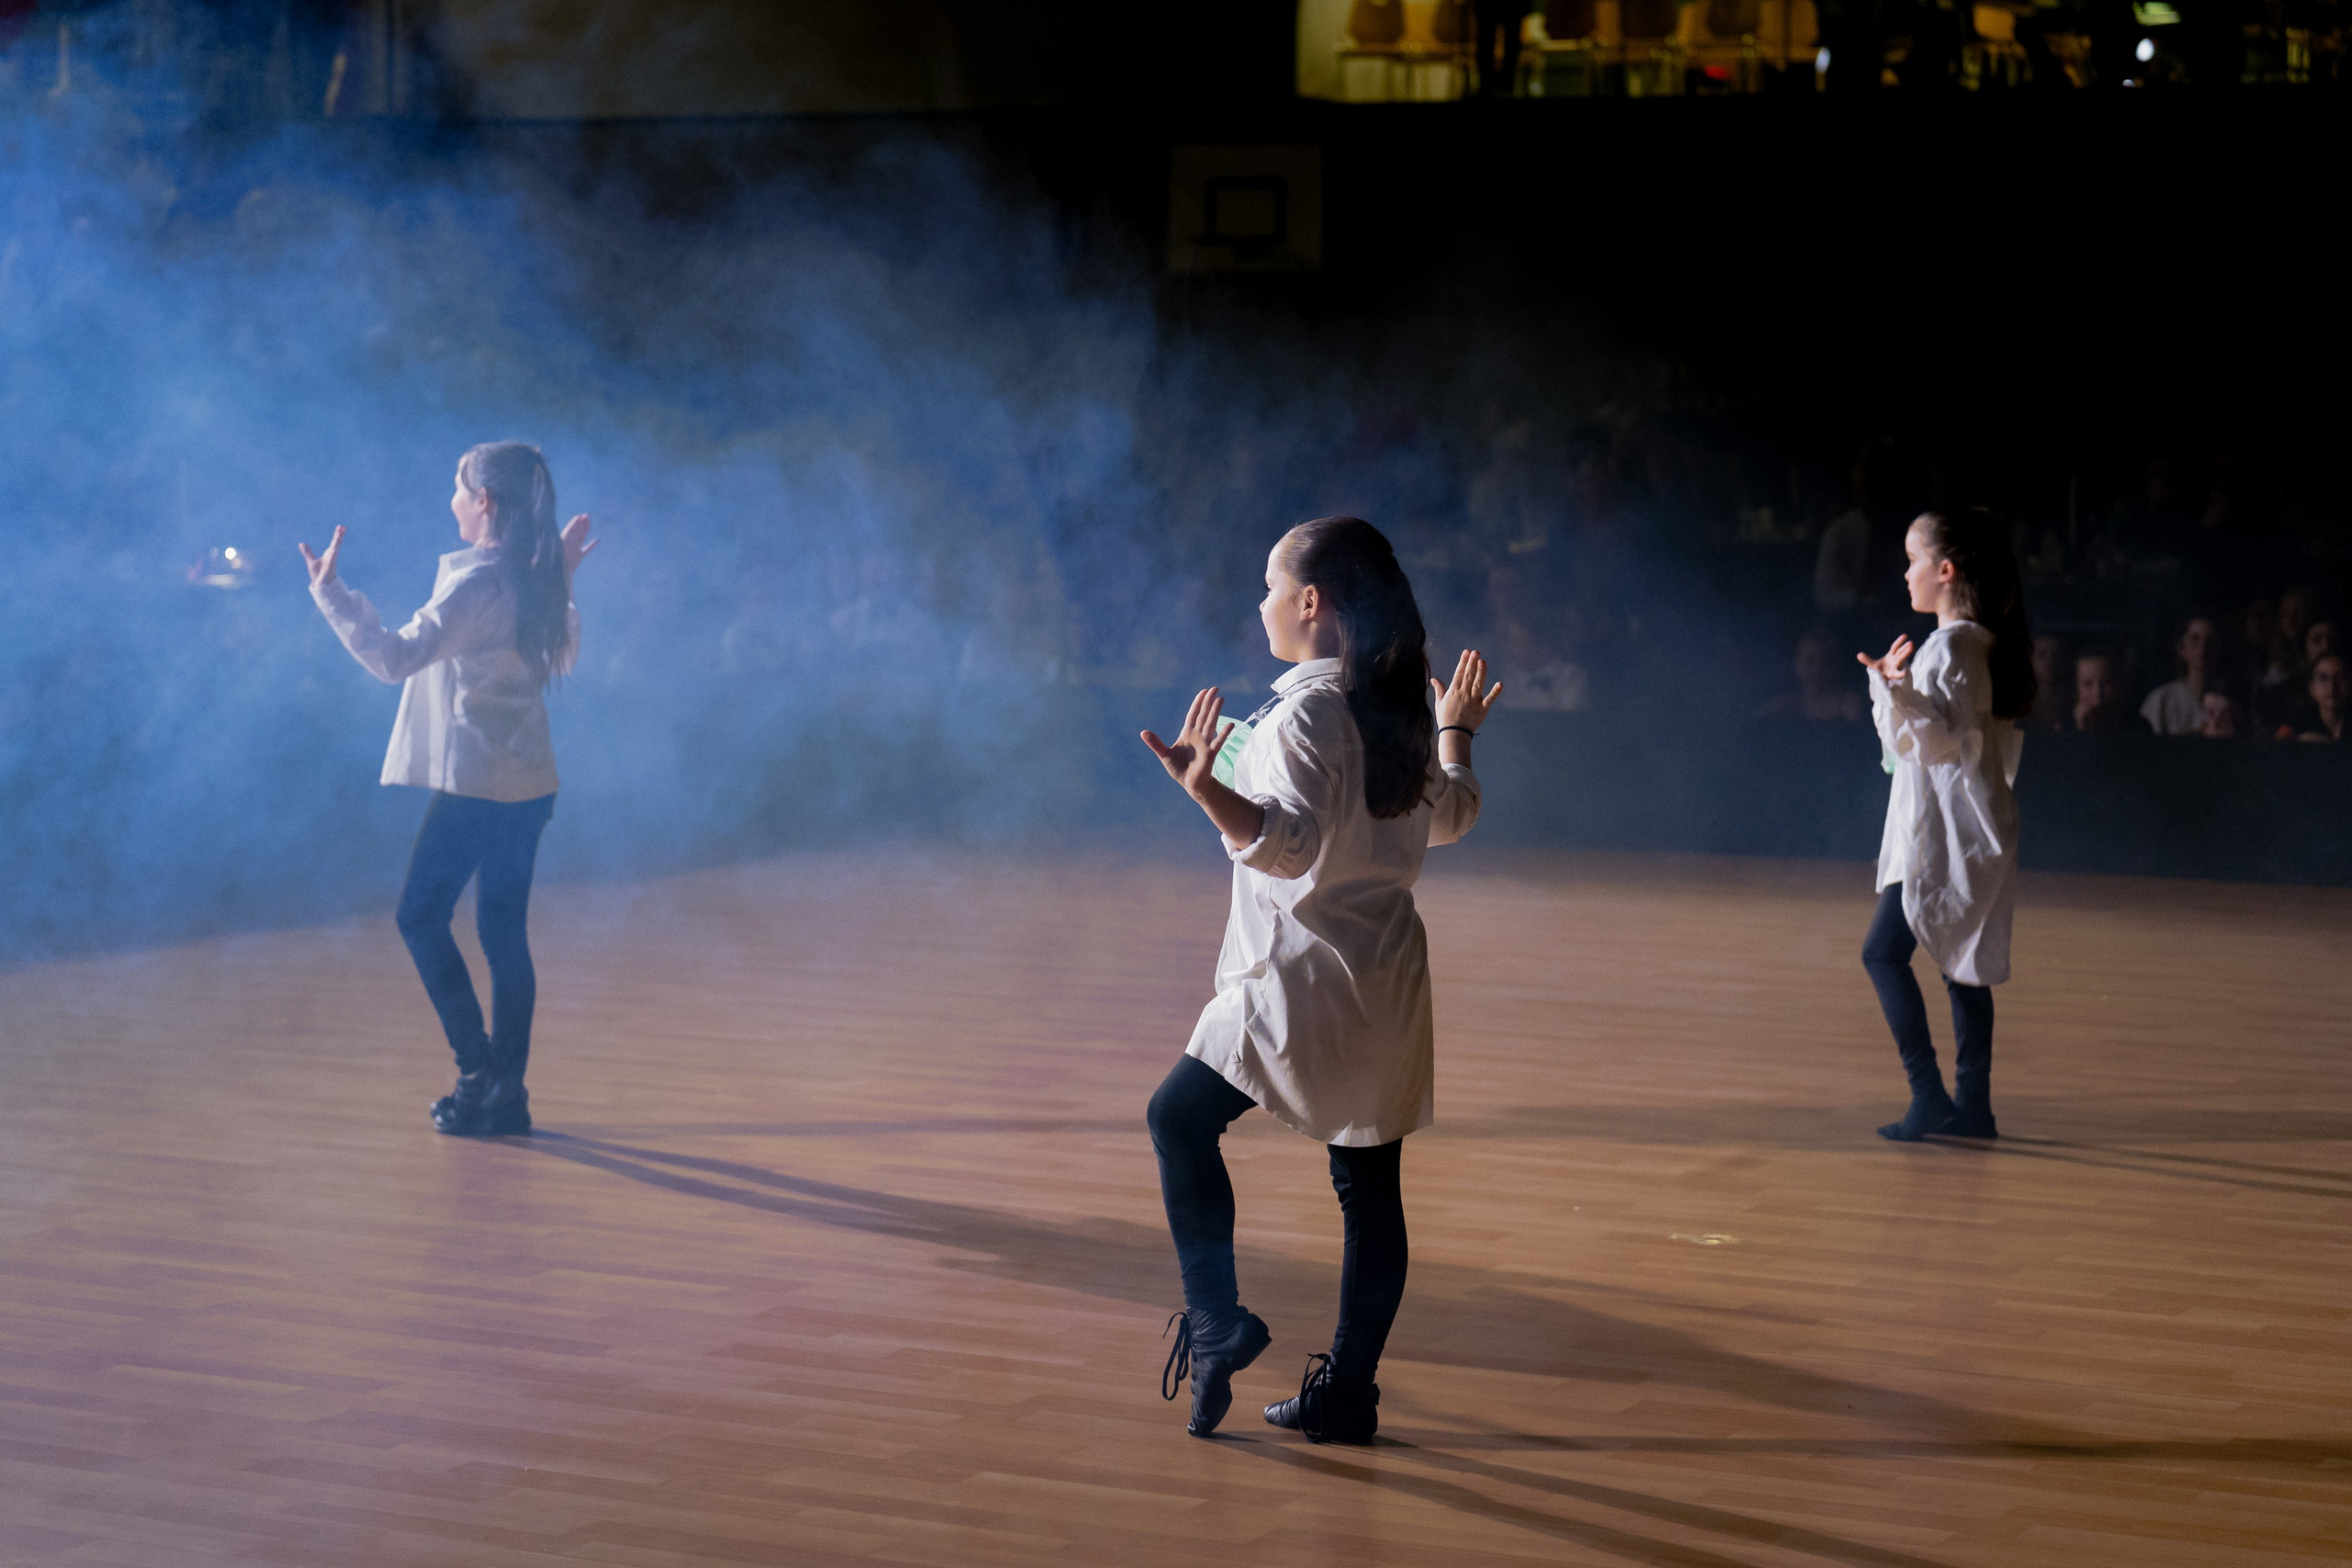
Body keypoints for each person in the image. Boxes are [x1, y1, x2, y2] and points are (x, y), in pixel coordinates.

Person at [1138, 516, 1498, 1446]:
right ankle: (1347, 1393)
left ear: (1311, 602)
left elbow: (1288, 846)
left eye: (1270, 586)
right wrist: (1454, 733)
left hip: (1298, 979)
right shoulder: (1391, 708)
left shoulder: (1307, 711)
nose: (1259, 603)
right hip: (1383, 981)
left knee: (1178, 1120)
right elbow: (1448, 816)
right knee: (1368, 1188)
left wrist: (1204, 790)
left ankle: (1217, 1320)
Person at [300, 443, 594, 1136]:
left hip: (479, 786)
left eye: (459, 489)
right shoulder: (532, 576)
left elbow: (397, 657)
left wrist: (331, 593)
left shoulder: (483, 583)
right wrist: (566, 574)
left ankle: (479, 1075)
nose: (452, 501)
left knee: (420, 916)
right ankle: (504, 1093)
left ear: (485, 500)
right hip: (528, 783)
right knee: (502, 933)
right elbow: (564, 652)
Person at [1856, 508, 2033, 1143]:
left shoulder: (1954, 646)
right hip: (1954, 829)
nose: (1906, 573)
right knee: (1961, 963)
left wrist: (1897, 691)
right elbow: (1913, 744)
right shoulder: (1962, 646)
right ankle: (1973, 1106)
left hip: (1945, 837)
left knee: (1884, 953)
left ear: (1946, 569)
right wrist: (1890, 688)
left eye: (1914, 560)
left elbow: (1933, 740)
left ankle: (1932, 1095)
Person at [1755, 626, 1868, 723]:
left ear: (1835, 664)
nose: (1818, 669)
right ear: (1796, 663)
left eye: (1825, 662)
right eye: (1810, 661)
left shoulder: (1848, 707)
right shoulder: (1783, 707)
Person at [2140, 614, 2221, 735]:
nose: (2203, 647)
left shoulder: (2227, 701)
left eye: (2210, 640)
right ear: (2181, 647)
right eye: (2195, 639)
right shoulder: (2161, 700)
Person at [2070, 649, 2131, 733]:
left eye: (2106, 683)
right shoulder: (2063, 730)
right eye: (2088, 684)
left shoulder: (2139, 729)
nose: (2097, 693)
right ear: (2077, 688)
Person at [2291, 653, 2345, 741]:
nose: (2332, 686)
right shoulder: (2298, 724)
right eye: (2323, 678)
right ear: (2312, 688)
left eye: (2340, 677)